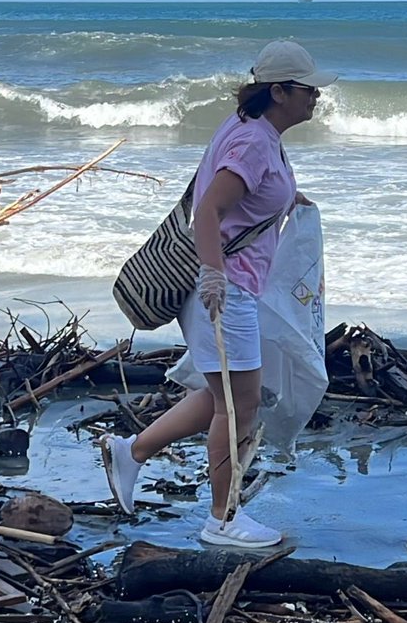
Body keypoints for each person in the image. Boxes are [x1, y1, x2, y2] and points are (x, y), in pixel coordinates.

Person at [102, 40, 337, 548]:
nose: (316, 96)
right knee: (240, 405)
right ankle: (223, 520)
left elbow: (241, 194)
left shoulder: (254, 130)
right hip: (225, 289)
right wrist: (212, 276)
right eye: (308, 89)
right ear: (279, 92)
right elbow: (209, 208)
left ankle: (131, 452)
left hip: (233, 285)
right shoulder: (253, 142)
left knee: (224, 395)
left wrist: (286, 198)